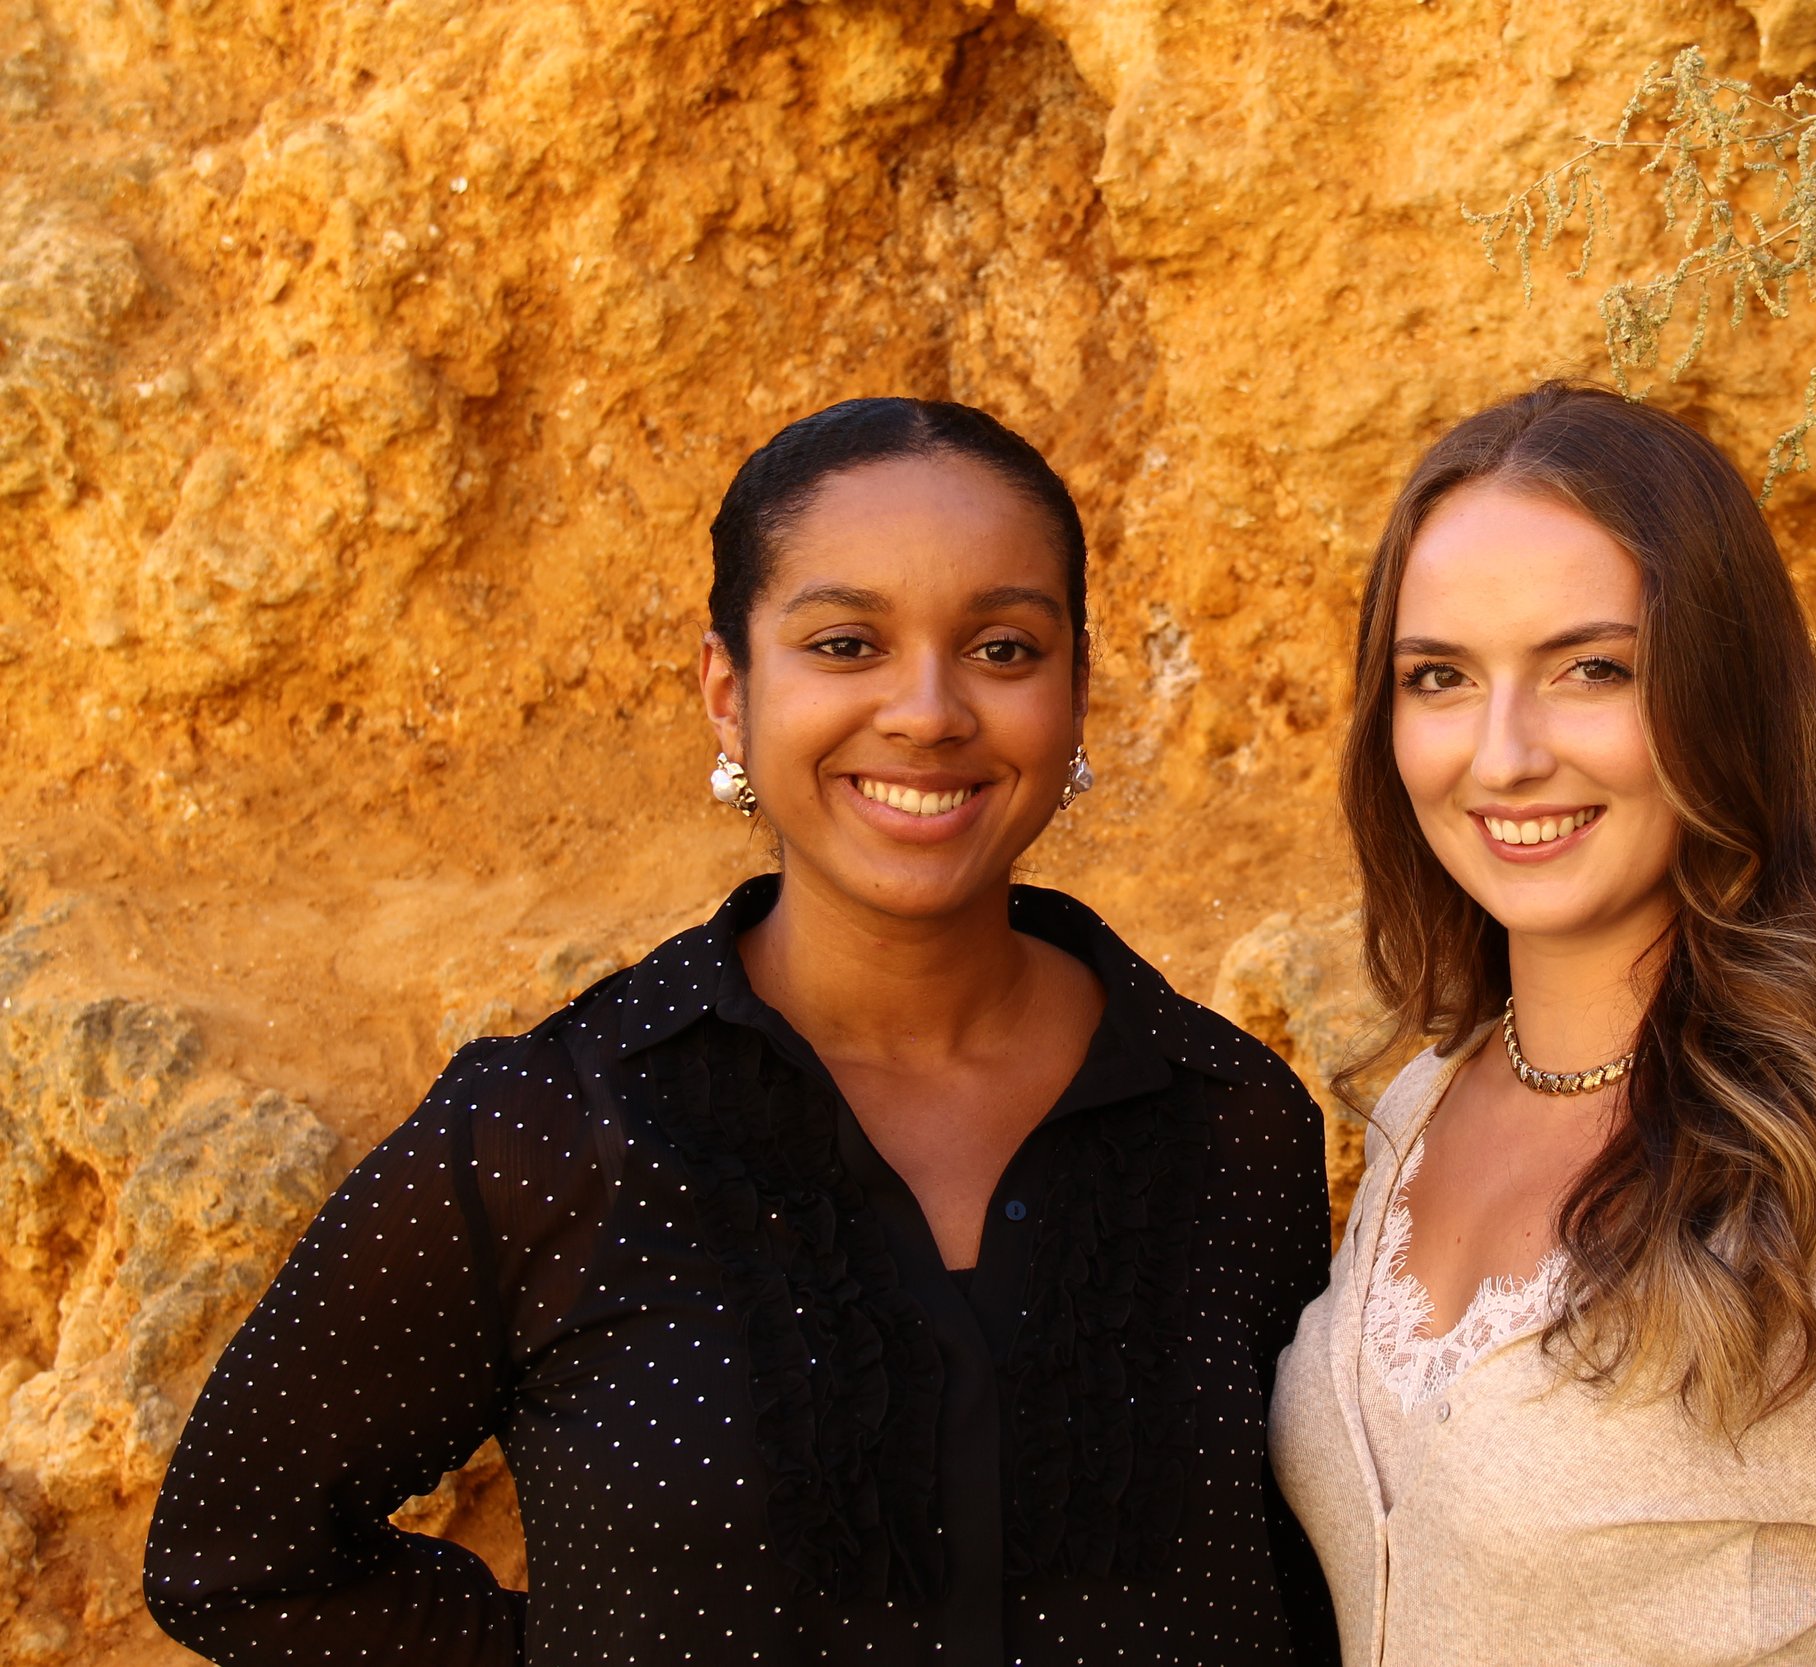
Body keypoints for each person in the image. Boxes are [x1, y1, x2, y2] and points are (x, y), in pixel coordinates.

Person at [145, 397, 1339, 1666]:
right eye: (844, 643)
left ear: (1076, 689)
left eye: (1001, 647)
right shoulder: (554, 1133)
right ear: (730, 691)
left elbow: (1302, 1587)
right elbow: (239, 1557)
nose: (928, 710)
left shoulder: (1232, 1123)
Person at [1269, 383, 1816, 1667]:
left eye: (1593, 669)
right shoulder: (1424, 1105)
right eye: (1441, 676)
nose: (1504, 753)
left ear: (1720, 694)